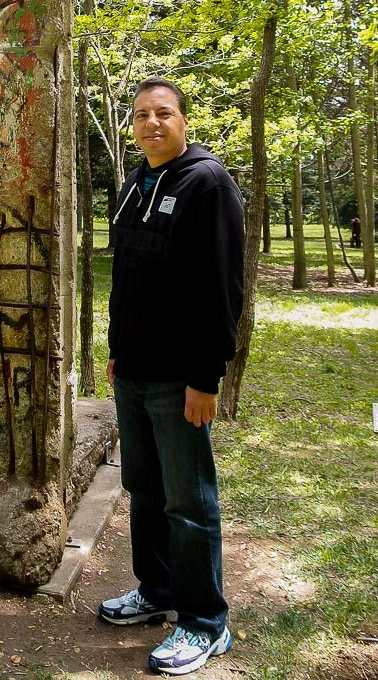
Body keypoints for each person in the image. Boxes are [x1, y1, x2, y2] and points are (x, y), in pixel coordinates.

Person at [98, 77, 245, 677]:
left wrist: (205, 377)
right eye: (141, 116)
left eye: (163, 114)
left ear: (184, 120)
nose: (151, 124)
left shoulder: (207, 184)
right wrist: (115, 350)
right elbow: (129, 275)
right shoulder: (137, 181)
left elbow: (221, 289)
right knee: (147, 489)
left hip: (179, 378)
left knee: (189, 501)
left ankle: (206, 622)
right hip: (133, 373)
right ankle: (156, 592)